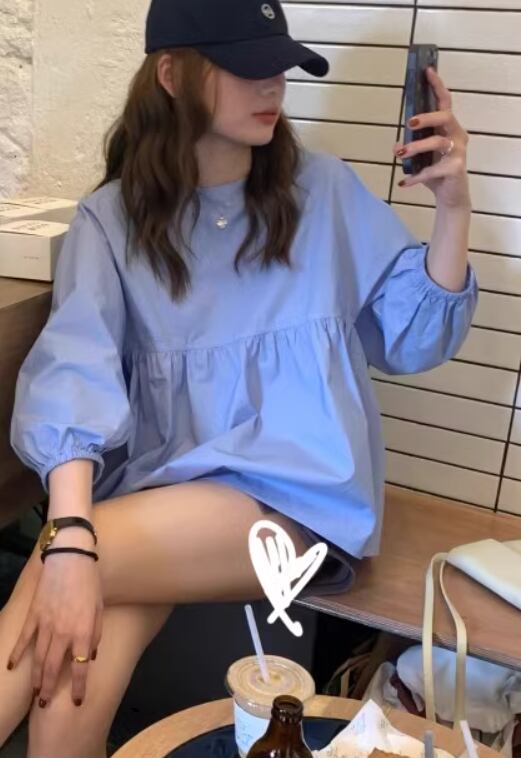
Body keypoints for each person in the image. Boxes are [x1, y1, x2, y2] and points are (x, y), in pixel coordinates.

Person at [0, 0, 476, 754]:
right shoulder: (111, 221)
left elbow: (414, 338)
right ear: (170, 74)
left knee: (75, 553)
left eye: (278, 65)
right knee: (74, 663)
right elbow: (73, 371)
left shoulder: (322, 194)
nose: (272, 85)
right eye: (245, 66)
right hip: (162, 502)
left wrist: (453, 208)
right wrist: (74, 533)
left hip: (293, 501)